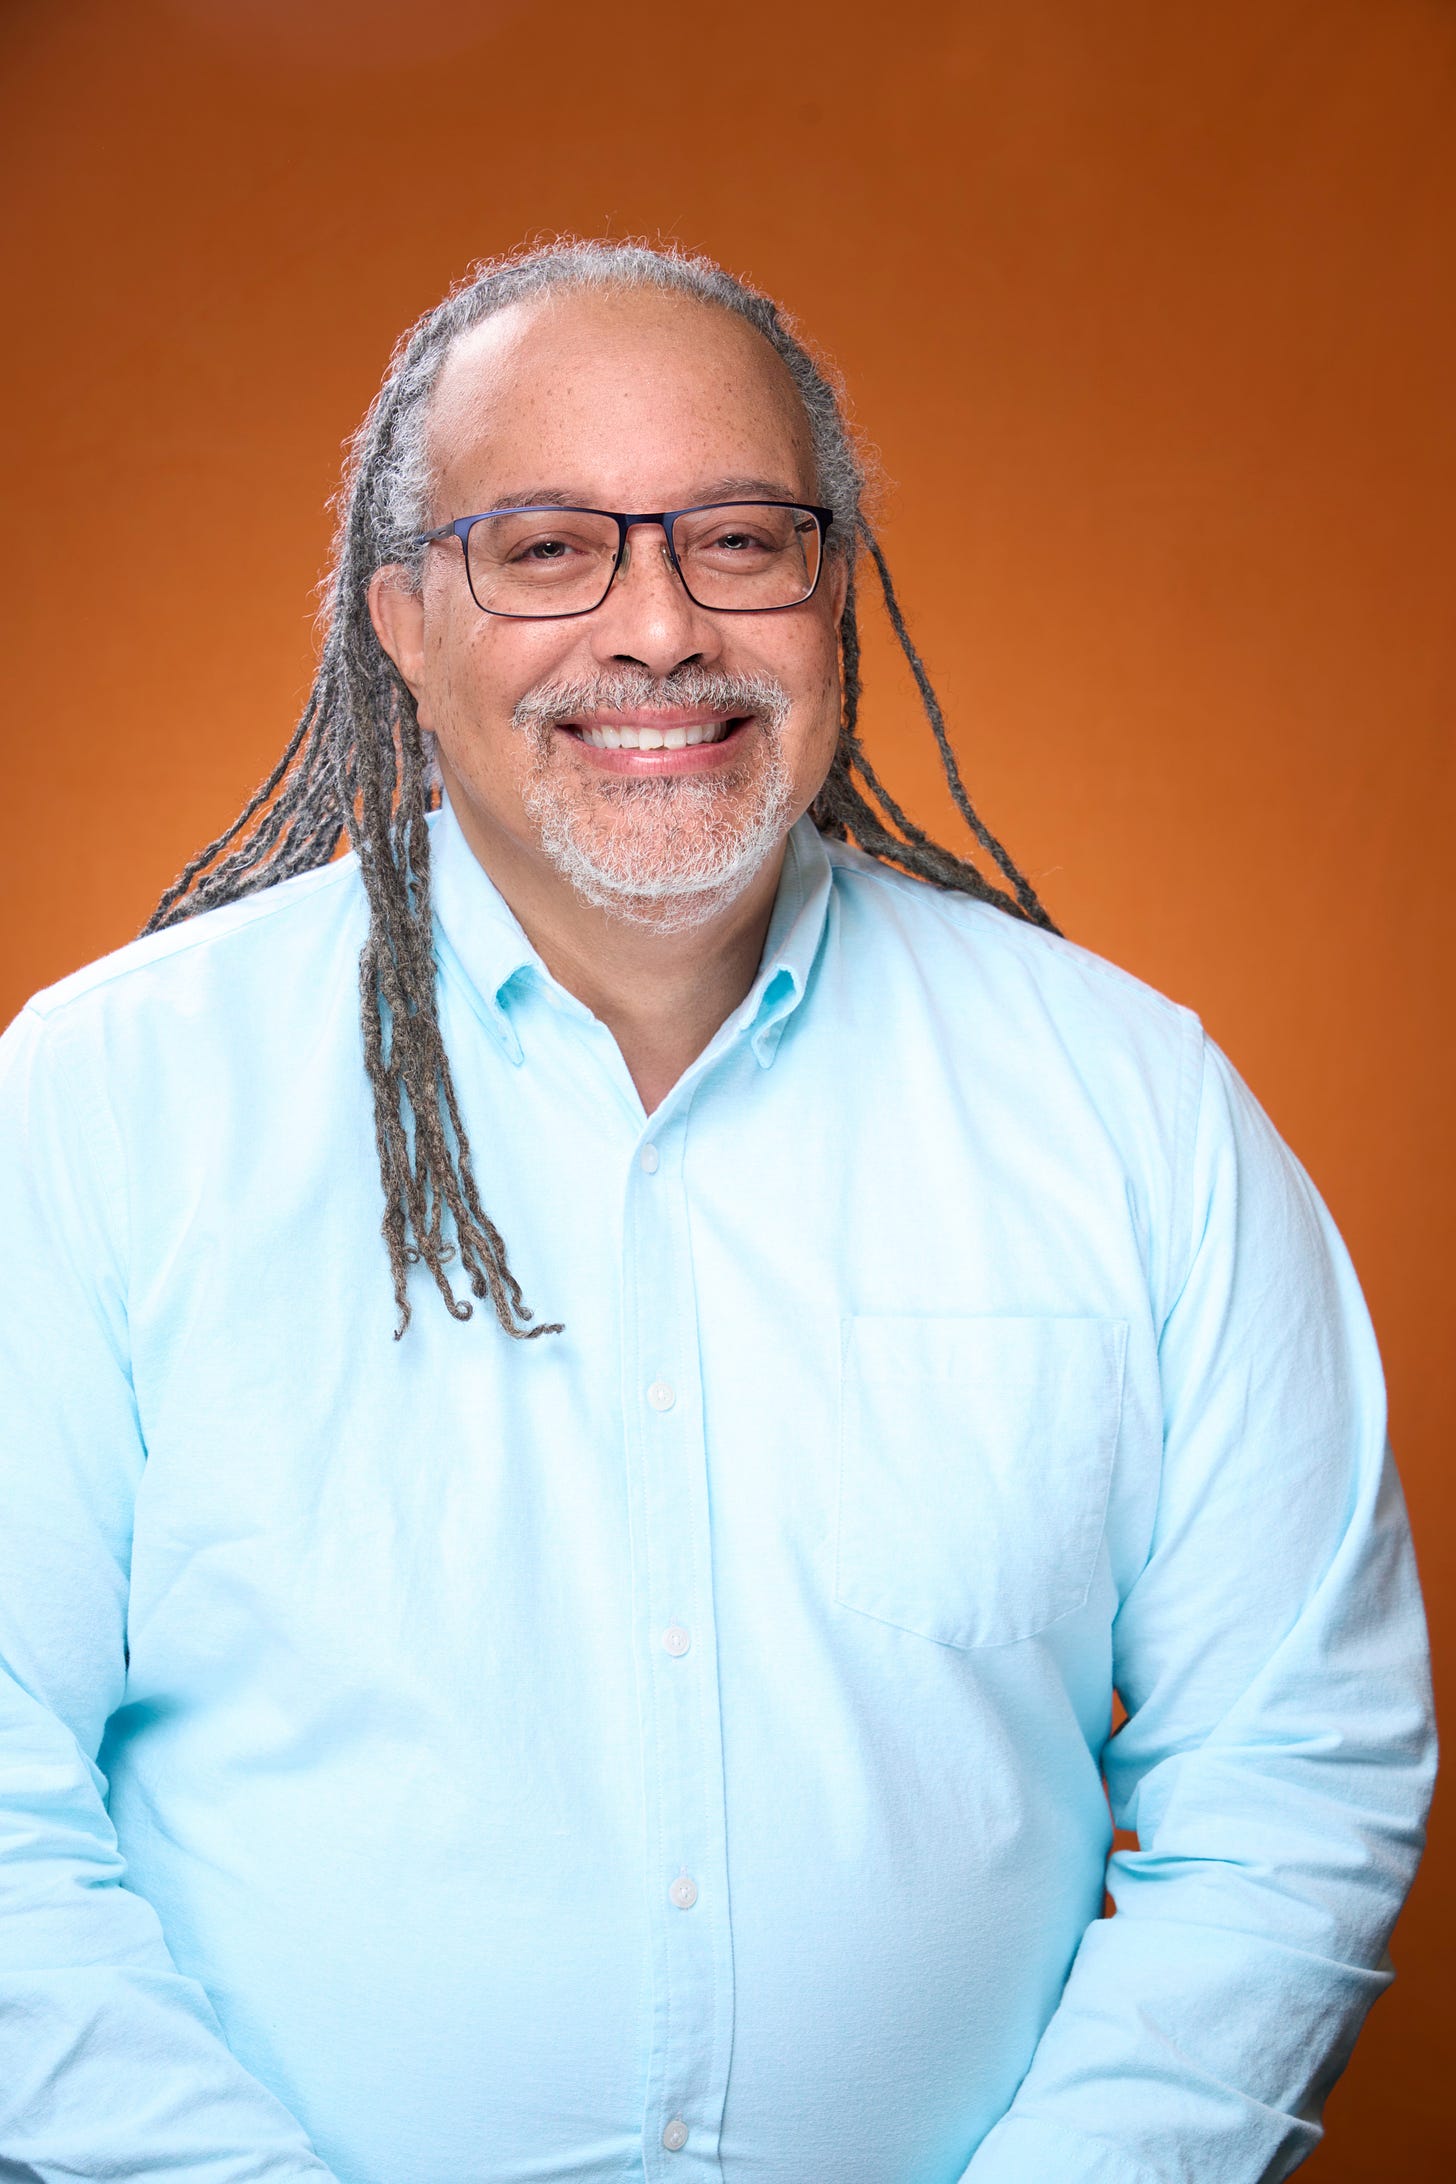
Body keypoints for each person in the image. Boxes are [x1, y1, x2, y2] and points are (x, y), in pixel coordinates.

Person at [0, 237, 1434, 2184]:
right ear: (399, 620)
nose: (657, 627)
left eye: (738, 540)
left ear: (835, 589)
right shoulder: (102, 1104)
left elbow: (1295, 1765)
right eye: (543, 548)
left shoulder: (1126, 1106)